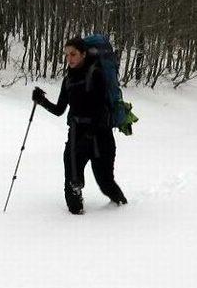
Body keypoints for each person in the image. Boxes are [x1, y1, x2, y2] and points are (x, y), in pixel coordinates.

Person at [32, 37, 127, 215]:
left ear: (83, 54)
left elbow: (100, 109)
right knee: (72, 186)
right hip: (76, 135)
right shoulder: (68, 80)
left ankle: (123, 209)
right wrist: (42, 101)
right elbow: (60, 110)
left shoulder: (96, 73)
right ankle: (74, 227)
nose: (69, 58)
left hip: (100, 137)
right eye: (67, 55)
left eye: (73, 54)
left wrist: (90, 136)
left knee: (106, 183)